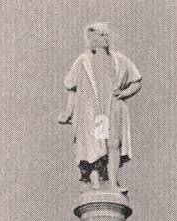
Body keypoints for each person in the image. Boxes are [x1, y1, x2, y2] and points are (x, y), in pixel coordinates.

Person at [59, 22, 142, 195]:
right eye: (101, 35)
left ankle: (113, 183)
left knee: (114, 143)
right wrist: (68, 111)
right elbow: (72, 87)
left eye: (106, 35)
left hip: (111, 108)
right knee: (96, 146)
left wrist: (124, 93)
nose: (105, 38)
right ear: (92, 38)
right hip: (95, 112)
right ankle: (94, 182)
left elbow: (137, 80)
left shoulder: (118, 59)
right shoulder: (83, 60)